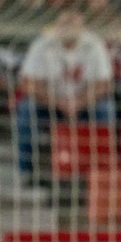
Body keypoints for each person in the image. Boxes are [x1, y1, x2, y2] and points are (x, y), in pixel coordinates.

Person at [16, 10, 115, 189]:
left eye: (73, 22)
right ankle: (27, 171)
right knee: (26, 108)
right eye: (64, 23)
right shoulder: (42, 44)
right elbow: (27, 83)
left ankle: (103, 170)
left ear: (82, 26)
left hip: (84, 103)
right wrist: (58, 102)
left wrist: (79, 102)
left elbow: (104, 84)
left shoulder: (94, 44)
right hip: (49, 104)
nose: (69, 27)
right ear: (57, 26)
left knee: (106, 109)